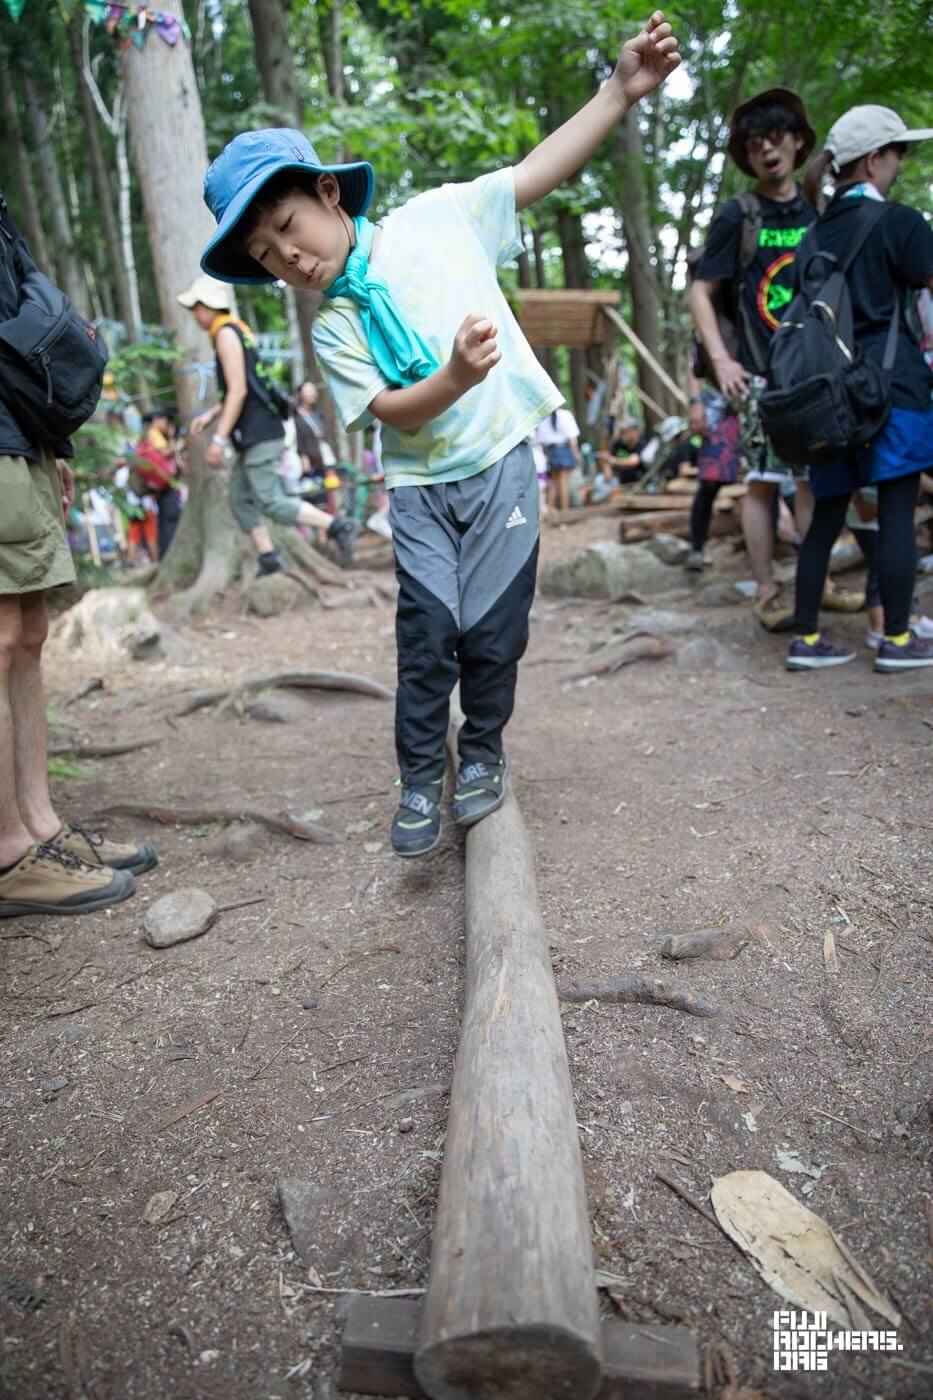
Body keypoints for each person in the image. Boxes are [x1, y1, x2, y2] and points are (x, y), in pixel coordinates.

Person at [197, 13, 682, 856]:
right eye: (269, 256)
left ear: (327, 194)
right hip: (420, 492)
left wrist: (616, 91)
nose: (290, 257)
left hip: (498, 468)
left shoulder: (439, 219)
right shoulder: (335, 328)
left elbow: (535, 171)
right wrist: (454, 375)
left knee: (495, 632)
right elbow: (391, 412)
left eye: (288, 227)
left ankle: (483, 751)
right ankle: (420, 777)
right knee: (427, 638)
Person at [0, 194, 155, 917]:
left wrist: (50, 444)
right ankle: (8, 852)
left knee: (28, 634)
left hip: (18, 433)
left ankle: (41, 827)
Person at [785, 106, 933, 673]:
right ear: (874, 160)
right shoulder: (901, 223)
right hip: (891, 389)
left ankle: (806, 637)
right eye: (898, 155)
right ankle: (897, 640)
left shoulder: (813, 233)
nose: (899, 167)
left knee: (825, 515)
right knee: (896, 508)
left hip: (827, 397)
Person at [689, 88, 817, 629]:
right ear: (746, 153)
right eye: (756, 141)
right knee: (762, 481)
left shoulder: (819, 208)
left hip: (815, 371)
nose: (768, 148)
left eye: (777, 136)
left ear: (797, 142)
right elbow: (701, 290)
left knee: (815, 480)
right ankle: (767, 591)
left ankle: (813, 581)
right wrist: (720, 361)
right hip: (760, 373)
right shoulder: (738, 214)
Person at [176, 275, 358, 572]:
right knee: (239, 498)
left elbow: (239, 390)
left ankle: (338, 525)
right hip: (253, 433)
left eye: (196, 307)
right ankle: (269, 558)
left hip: (260, 433)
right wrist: (211, 415)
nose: (194, 315)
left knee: (269, 499)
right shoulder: (235, 333)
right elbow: (246, 386)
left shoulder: (226, 335)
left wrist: (219, 441)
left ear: (208, 306)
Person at [134, 407, 183, 559]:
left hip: (159, 487)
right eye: (166, 421)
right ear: (158, 420)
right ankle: (170, 554)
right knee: (170, 519)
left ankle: (165, 553)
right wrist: (175, 442)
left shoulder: (146, 436)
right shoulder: (155, 434)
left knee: (164, 520)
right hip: (166, 486)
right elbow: (165, 452)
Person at [535, 406, 582, 513]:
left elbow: (541, 440)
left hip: (551, 452)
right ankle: (565, 512)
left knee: (554, 483)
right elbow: (572, 438)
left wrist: (546, 456)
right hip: (564, 450)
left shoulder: (544, 418)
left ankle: (551, 510)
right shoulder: (566, 415)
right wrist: (576, 454)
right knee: (564, 482)